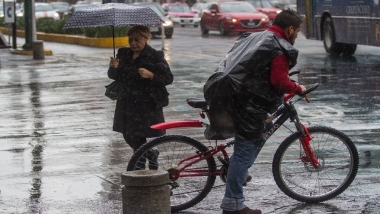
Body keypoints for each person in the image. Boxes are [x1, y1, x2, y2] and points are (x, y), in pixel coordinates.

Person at [204, 9, 306, 214]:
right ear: (291, 28)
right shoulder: (278, 47)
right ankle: (233, 204)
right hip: (246, 105)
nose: (297, 35)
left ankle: (238, 172)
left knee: (252, 143)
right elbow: (278, 80)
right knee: (243, 153)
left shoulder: (255, 37)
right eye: (297, 31)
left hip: (230, 95)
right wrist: (297, 88)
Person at [108, 25, 173, 169]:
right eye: (130, 40)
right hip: (126, 100)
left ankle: (139, 165)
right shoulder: (123, 53)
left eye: (137, 40)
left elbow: (168, 78)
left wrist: (152, 76)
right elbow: (114, 76)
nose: (133, 43)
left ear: (146, 38)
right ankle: (150, 153)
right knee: (128, 134)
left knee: (139, 134)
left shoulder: (155, 56)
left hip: (146, 102)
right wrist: (114, 67)